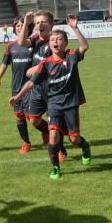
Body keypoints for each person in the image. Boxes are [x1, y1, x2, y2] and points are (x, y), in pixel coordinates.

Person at [10, 24, 91, 179]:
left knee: (74, 139)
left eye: (59, 39)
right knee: (53, 135)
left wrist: (75, 28)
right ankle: (55, 168)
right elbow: (31, 83)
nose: (55, 42)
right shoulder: (45, 63)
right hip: (53, 104)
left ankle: (85, 146)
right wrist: (18, 97)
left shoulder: (71, 56)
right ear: (49, 44)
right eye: (52, 39)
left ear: (65, 43)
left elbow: (85, 46)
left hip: (70, 105)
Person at [14, 9, 68, 160]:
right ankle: (49, 134)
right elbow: (20, 42)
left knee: (54, 125)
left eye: (43, 22)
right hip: (37, 89)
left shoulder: (55, 41)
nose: (40, 25)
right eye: (37, 23)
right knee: (34, 119)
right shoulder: (36, 39)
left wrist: (36, 68)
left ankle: (60, 149)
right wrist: (26, 22)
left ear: (51, 24)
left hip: (53, 89)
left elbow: (57, 63)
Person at [0, 17, 34, 154]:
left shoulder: (33, 44)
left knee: (32, 117)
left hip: (31, 87)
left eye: (22, 25)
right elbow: (4, 63)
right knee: (19, 115)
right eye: (17, 25)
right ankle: (26, 142)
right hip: (16, 87)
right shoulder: (10, 47)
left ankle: (49, 135)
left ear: (28, 27)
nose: (19, 27)